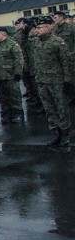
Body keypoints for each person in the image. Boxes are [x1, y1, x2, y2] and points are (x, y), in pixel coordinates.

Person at [33, 16, 72, 146]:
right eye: (36, 27)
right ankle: (56, 133)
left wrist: (68, 81)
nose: (37, 30)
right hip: (42, 81)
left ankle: (65, 134)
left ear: (49, 27)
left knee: (61, 107)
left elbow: (66, 63)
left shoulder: (58, 43)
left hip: (57, 81)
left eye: (40, 27)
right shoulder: (36, 42)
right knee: (49, 108)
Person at [0, 26, 24, 124]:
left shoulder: (12, 45)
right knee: (2, 97)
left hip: (10, 75)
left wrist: (18, 73)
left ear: (3, 34)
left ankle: (17, 113)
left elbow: (19, 60)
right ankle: (6, 113)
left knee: (14, 95)